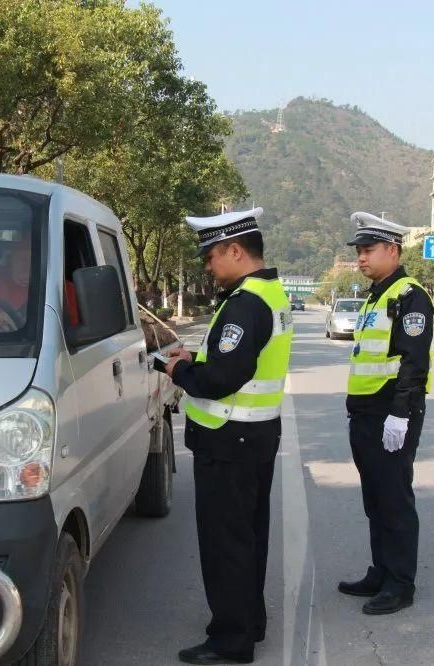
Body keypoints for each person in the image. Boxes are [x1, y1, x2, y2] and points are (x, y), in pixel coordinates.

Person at [159, 207, 293, 665]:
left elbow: (222, 379)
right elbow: (239, 357)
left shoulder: (244, 304)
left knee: (226, 544)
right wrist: (198, 355)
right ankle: (249, 620)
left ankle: (230, 641)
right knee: (248, 537)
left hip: (228, 438)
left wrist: (180, 369)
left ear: (236, 250)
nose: (208, 265)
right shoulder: (269, 293)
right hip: (254, 437)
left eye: (212, 255)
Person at [339, 211, 434, 615]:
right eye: (359, 251)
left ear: (392, 250)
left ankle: (400, 584)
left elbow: (413, 362)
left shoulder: (410, 296)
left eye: (368, 250)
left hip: (390, 413)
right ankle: (380, 571)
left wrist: (400, 414)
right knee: (375, 498)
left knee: (394, 498)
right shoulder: (377, 295)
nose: (361, 258)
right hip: (365, 412)